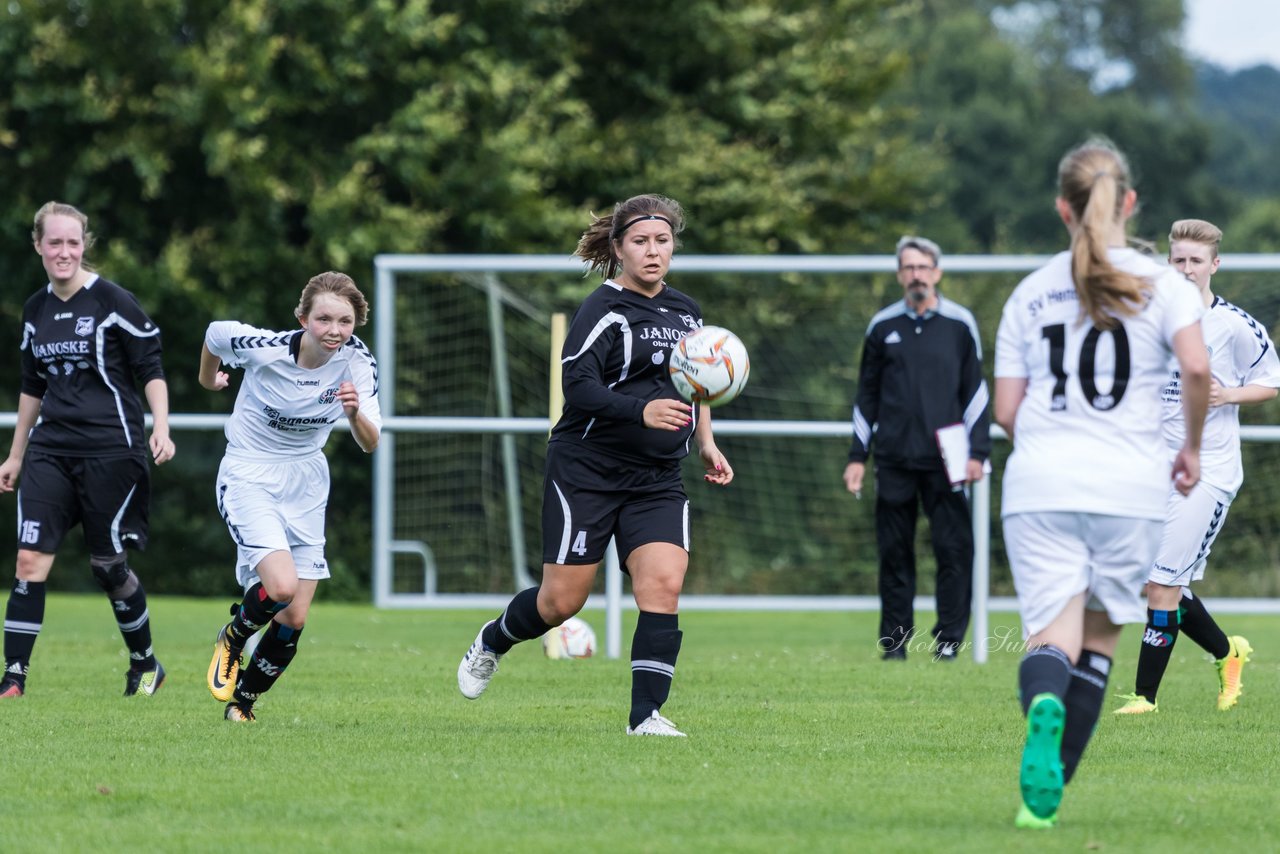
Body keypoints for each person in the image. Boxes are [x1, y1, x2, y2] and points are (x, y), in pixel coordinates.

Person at [455, 194, 734, 737]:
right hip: (588, 470)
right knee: (561, 602)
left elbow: (696, 385)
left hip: (656, 478)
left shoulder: (687, 311)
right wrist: (641, 410)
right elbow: (577, 389)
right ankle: (494, 640)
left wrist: (705, 441)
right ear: (618, 247)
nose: (652, 252)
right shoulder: (601, 309)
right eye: (640, 242)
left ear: (673, 245)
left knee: (663, 585)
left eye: (662, 241)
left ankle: (645, 716)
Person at [994, 139, 1209, 830]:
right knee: (1099, 644)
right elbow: (1198, 372)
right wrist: (1193, 448)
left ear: (1063, 207)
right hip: (1129, 489)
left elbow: (1005, 410)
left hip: (1041, 486)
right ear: (1131, 203)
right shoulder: (1166, 283)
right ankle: (1041, 807)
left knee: (1049, 643)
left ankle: (1042, 712)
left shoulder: (1030, 292)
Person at [0, 201, 176, 699]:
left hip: (111, 450)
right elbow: (31, 387)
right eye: (54, 242)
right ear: (38, 245)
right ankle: (13, 678)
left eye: (72, 242)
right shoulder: (35, 309)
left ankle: (145, 664)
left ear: (84, 244)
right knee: (30, 561)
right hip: (49, 451)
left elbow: (151, 369)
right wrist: (15, 455)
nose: (64, 252)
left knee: (107, 567)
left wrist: (160, 426)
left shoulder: (113, 301)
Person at [1114, 220, 1279, 715]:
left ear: (1214, 265)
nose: (1186, 269)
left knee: (1163, 585)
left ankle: (1144, 699)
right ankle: (1228, 652)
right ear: (1169, 262)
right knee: (1157, 583)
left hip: (1209, 474)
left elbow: (1272, 382)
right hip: (1155, 471)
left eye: (1195, 261)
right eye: (1178, 260)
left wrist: (1229, 393)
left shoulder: (1233, 325)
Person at [201, 271, 381, 723]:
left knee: (294, 616)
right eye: (323, 319)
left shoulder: (358, 361)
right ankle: (233, 637)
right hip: (249, 471)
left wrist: (354, 414)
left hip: (306, 480)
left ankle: (242, 706)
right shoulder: (263, 348)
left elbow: (370, 442)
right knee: (280, 588)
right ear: (303, 318)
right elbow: (214, 334)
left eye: (345, 320)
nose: (334, 330)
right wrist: (209, 380)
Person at [842, 235, 990, 662]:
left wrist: (978, 453)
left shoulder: (960, 325)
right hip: (893, 458)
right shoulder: (882, 326)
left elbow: (975, 394)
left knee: (954, 550)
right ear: (899, 275)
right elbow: (865, 398)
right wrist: (857, 457)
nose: (916, 275)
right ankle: (895, 644)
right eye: (908, 268)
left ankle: (948, 641)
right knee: (894, 554)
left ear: (937, 273)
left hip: (949, 459)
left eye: (923, 267)